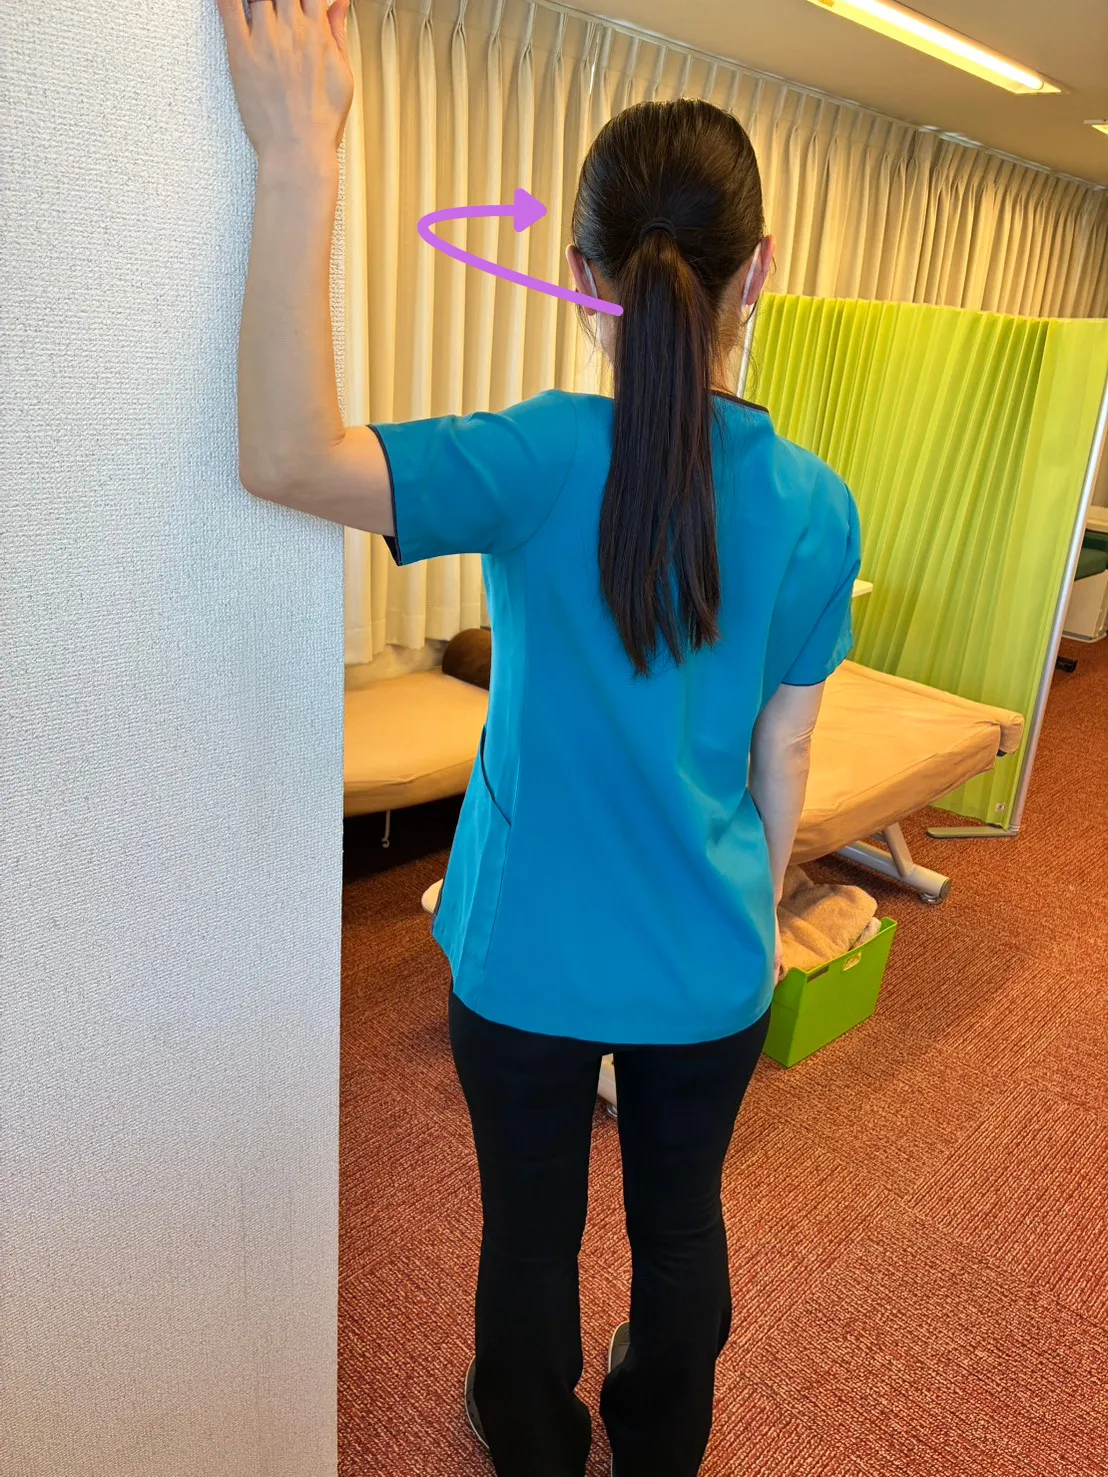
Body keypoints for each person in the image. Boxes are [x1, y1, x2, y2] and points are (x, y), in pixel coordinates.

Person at [219, 3, 861, 1474]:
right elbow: (783, 760)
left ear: (580, 274)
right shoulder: (817, 504)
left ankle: (530, 1436)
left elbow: (284, 456)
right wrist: (752, 923)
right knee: (681, 1227)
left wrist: (297, 157)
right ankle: (658, 1437)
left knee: (529, 1234)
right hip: (709, 959)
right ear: (759, 270)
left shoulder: (533, 457)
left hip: (524, 961)